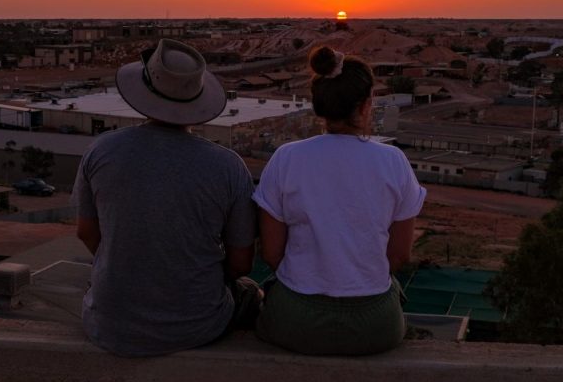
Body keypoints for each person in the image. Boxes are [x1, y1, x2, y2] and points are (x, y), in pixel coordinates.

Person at [73, 39, 259, 357]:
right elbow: (241, 263)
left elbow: (86, 232)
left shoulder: (101, 150)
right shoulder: (229, 166)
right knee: (252, 295)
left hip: (109, 324)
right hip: (198, 326)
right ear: (197, 100)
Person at [253, 46, 425, 356]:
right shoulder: (393, 161)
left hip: (295, 321)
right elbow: (399, 255)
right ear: (366, 105)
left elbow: (272, 253)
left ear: (319, 103)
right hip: (375, 327)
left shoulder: (287, 158)